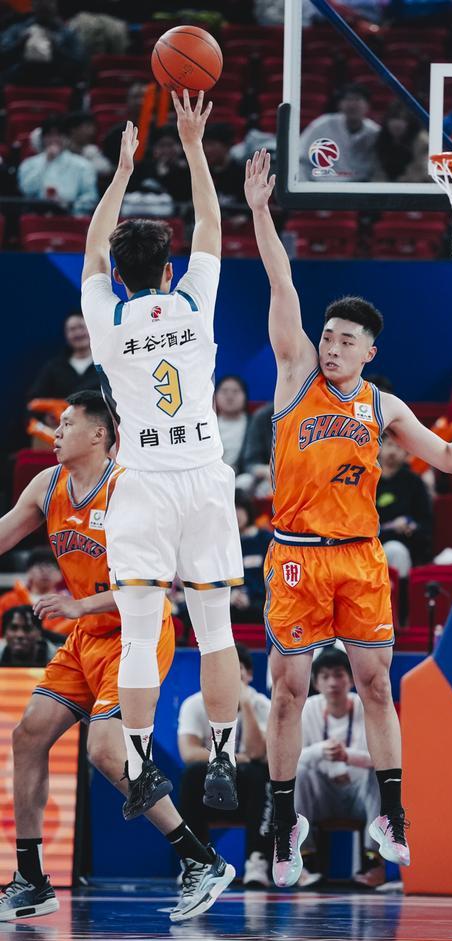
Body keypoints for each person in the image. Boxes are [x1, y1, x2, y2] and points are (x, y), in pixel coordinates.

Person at [244, 148, 452, 887]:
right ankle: (284, 822)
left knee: (375, 684)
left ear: (370, 351)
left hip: (361, 557)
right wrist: (261, 212)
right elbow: (281, 282)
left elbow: (449, 459)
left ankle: (392, 815)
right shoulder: (295, 376)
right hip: (297, 555)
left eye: (346, 340)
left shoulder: (383, 405)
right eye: (328, 336)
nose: (332, 346)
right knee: (288, 690)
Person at [0, 391, 233, 923]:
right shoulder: (48, 486)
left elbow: (158, 581)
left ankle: (202, 860)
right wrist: (81, 611)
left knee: (107, 751)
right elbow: (7, 531)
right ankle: (31, 880)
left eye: (66, 424)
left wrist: (80, 604)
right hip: (87, 638)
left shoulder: (132, 488)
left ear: (99, 434)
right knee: (28, 735)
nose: (56, 433)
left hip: (138, 634)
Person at [80, 97, 243, 826]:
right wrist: (193, 145)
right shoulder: (193, 304)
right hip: (203, 473)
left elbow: (92, 250)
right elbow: (211, 224)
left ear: (118, 275)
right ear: (170, 269)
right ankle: (225, 753)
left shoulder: (110, 320)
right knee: (216, 630)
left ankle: (142, 762)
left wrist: (121, 172)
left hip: (141, 482)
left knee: (141, 634)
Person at [178, 643, 272, 888]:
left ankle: (257, 860)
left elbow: (257, 753)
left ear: (248, 675)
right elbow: (189, 753)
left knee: (260, 773)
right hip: (210, 792)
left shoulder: (262, 704)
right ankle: (197, 861)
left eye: (236, 669)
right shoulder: (194, 704)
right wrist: (232, 758)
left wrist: (247, 705)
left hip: (247, 796)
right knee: (192, 773)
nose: (229, 675)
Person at [297, 647, 384, 888]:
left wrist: (347, 756)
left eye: (338, 674)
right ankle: (305, 860)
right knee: (299, 772)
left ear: (351, 679)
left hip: (359, 796)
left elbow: (379, 758)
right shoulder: (308, 708)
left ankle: (373, 861)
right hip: (322, 796)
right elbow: (293, 758)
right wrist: (319, 751)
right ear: (315, 682)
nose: (333, 683)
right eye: (325, 676)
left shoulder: (366, 707)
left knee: (378, 775)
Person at [17, 114, 98, 216]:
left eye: (58, 135)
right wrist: (46, 162)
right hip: (38, 214)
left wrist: (70, 207)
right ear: (42, 138)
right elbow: (27, 191)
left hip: (71, 216)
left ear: (66, 138)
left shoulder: (83, 165)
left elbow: (90, 196)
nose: (54, 140)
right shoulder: (28, 164)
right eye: (49, 135)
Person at [299, 84, 380, 182]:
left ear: (368, 106)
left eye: (357, 99)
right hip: (323, 184)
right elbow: (300, 157)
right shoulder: (322, 124)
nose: (352, 105)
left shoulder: (375, 132)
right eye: (348, 99)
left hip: (360, 185)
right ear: (339, 104)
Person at [377, 433, 432, 578]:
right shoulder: (367, 478)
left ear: (406, 452)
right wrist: (389, 526)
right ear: (380, 448)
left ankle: (400, 591)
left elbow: (425, 523)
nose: (393, 451)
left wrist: (411, 526)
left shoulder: (414, 482)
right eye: (389, 445)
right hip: (369, 543)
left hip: (403, 544)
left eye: (399, 447)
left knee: (396, 551)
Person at [0, 0, 85, 87]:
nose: (44, 3)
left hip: (57, 84)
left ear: (55, 5)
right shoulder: (17, 30)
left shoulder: (68, 34)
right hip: (19, 82)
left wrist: (57, 49)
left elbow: (80, 65)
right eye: (40, 1)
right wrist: (20, 45)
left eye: (48, 1)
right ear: (32, 5)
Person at [0, 546, 73, 638]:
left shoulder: (69, 603)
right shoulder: (8, 600)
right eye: (40, 567)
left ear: (61, 574)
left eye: (52, 567)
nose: (45, 572)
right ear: (29, 571)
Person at [28, 313, 99, 401]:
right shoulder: (54, 367)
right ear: (66, 335)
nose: (78, 333)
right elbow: (35, 400)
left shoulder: (104, 364)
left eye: (82, 327)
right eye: (72, 329)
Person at [232, 491, 272, 623]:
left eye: (239, 508)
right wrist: (233, 594)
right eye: (231, 509)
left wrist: (249, 594)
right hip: (232, 602)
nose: (236, 514)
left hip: (260, 601)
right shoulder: (226, 544)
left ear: (248, 509)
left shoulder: (266, 539)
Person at [373, 101, 429, 183]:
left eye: (402, 119)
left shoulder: (422, 141)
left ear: (410, 122)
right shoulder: (381, 139)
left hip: (416, 186)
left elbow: (422, 172)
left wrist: (401, 182)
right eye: (393, 119)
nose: (396, 123)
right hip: (386, 186)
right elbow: (378, 172)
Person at [215, 375, 252, 476]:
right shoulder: (207, 425)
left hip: (244, 477)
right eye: (224, 391)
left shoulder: (254, 424)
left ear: (245, 396)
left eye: (235, 391)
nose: (230, 396)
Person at [203, 123, 246, 208]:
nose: (206, 149)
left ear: (226, 146)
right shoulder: (199, 172)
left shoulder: (242, 175)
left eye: (211, 144)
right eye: (204, 145)